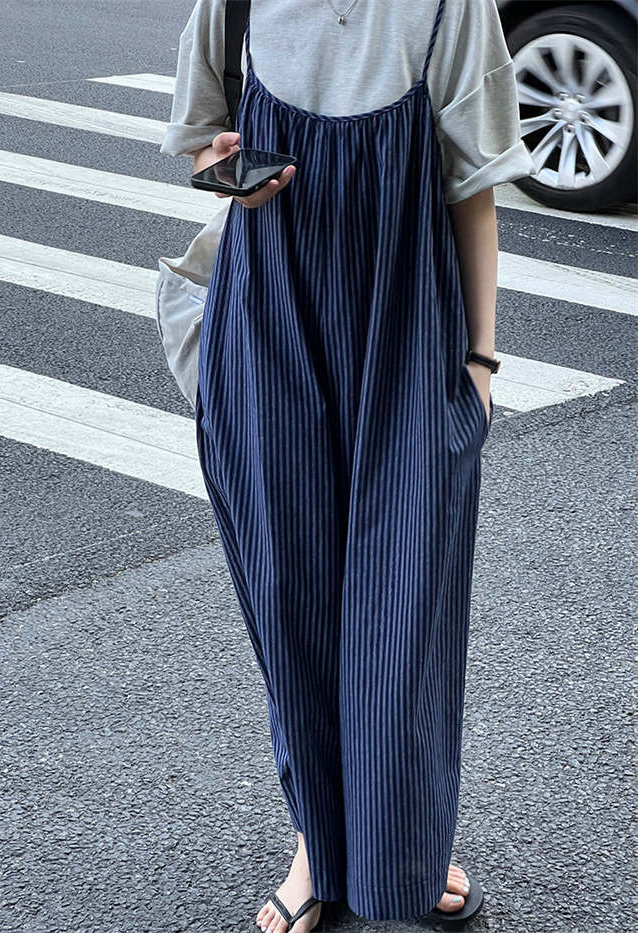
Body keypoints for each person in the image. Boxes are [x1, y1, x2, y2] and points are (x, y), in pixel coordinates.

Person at [161, 1, 536, 930]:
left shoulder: (447, 7)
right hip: (269, 327)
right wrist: (228, 174)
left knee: (404, 613)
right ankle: (317, 847)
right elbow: (201, 142)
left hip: (406, 335)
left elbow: (473, 189)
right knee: (292, 604)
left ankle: (401, 843)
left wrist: (480, 363)